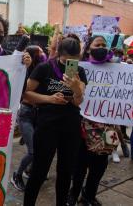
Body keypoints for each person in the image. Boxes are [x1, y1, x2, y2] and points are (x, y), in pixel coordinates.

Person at [23, 37, 87, 206]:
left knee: (66, 172)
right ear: (59, 54)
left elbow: (78, 102)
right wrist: (49, 99)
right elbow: (26, 93)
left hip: (71, 126)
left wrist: (76, 89)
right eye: (67, 60)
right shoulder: (44, 68)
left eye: (74, 60)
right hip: (47, 125)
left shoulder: (80, 71)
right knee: (39, 171)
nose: (70, 64)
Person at [67, 35, 123, 206]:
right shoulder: (78, 68)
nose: (101, 47)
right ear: (89, 48)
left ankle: (89, 195)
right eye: (97, 44)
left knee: (99, 168)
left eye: (104, 45)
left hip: (106, 128)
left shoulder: (118, 69)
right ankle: (73, 194)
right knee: (79, 166)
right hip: (82, 125)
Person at [11, 45, 47, 191]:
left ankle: (29, 170)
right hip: (26, 114)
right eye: (40, 52)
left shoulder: (42, 70)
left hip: (38, 113)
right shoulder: (24, 71)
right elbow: (23, 91)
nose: (43, 54)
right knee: (33, 151)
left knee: (40, 149)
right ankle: (16, 175)